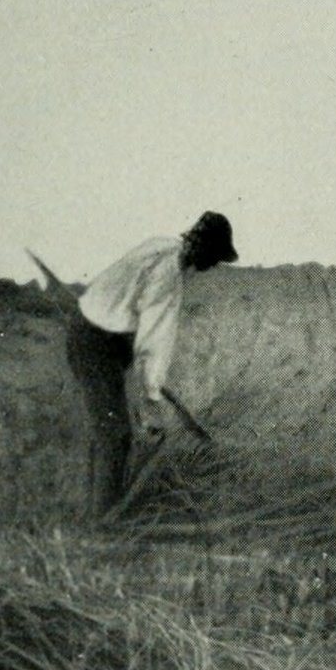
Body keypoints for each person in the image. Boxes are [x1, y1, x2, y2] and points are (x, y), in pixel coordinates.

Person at [65, 211, 238, 516]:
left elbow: (128, 298)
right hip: (96, 343)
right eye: (214, 257)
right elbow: (153, 343)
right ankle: (103, 524)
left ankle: (95, 512)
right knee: (115, 435)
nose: (212, 266)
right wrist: (150, 400)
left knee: (107, 431)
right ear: (205, 251)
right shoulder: (168, 278)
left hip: (92, 330)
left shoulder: (163, 245)